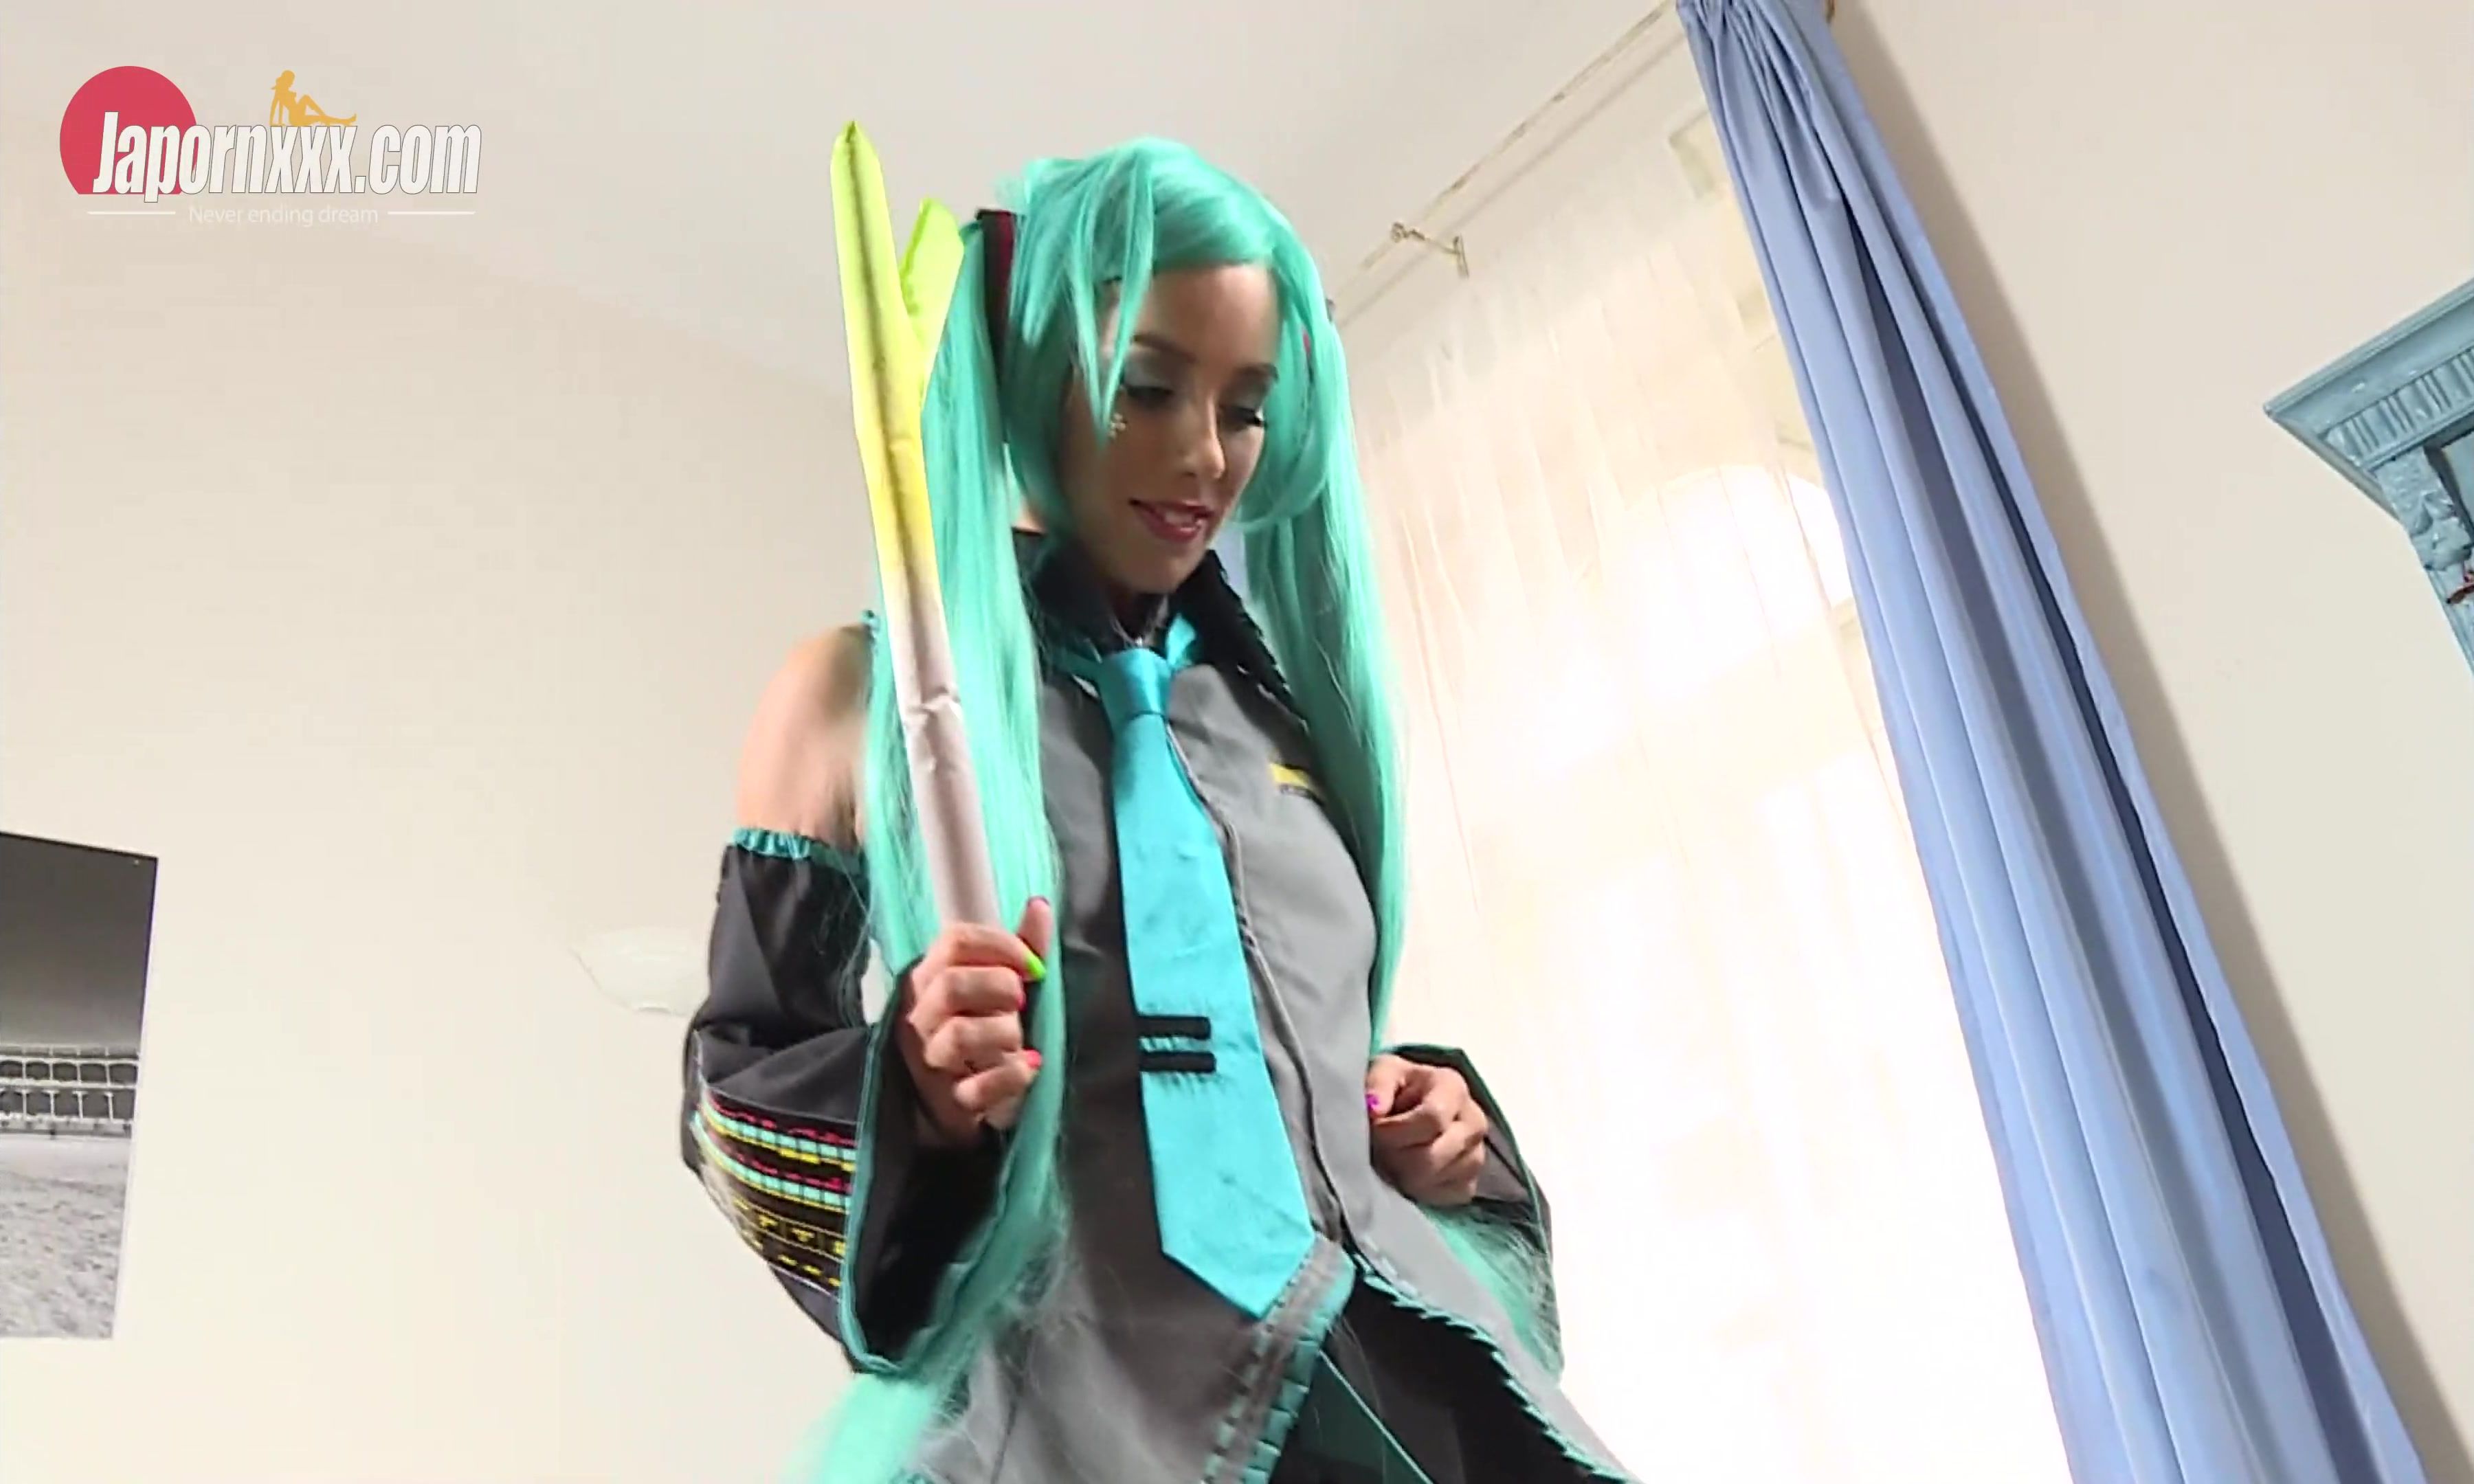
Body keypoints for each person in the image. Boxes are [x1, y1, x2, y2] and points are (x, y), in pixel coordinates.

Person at [681, 137, 1631, 1484]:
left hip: (1397, 1384)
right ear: (1037, 372)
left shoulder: (1280, 722)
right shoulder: (855, 698)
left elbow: (1301, 1056)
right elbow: (742, 1077)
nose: (1204, 456)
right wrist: (921, 1096)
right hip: (1076, 1417)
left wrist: (1432, 1126)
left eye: (1247, 407)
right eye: (1148, 387)